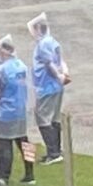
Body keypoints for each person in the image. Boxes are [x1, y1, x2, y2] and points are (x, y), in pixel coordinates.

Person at [0, 37, 35, 185]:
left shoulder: (2, 69)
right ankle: (30, 172)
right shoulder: (21, 65)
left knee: (4, 144)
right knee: (24, 142)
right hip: (20, 109)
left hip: (6, 111)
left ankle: (3, 174)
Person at [29, 13, 69, 165]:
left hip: (46, 86)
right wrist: (64, 74)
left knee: (42, 117)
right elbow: (61, 60)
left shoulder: (42, 45)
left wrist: (58, 76)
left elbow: (49, 63)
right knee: (54, 117)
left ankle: (53, 152)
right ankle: (56, 150)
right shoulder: (53, 41)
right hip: (56, 86)